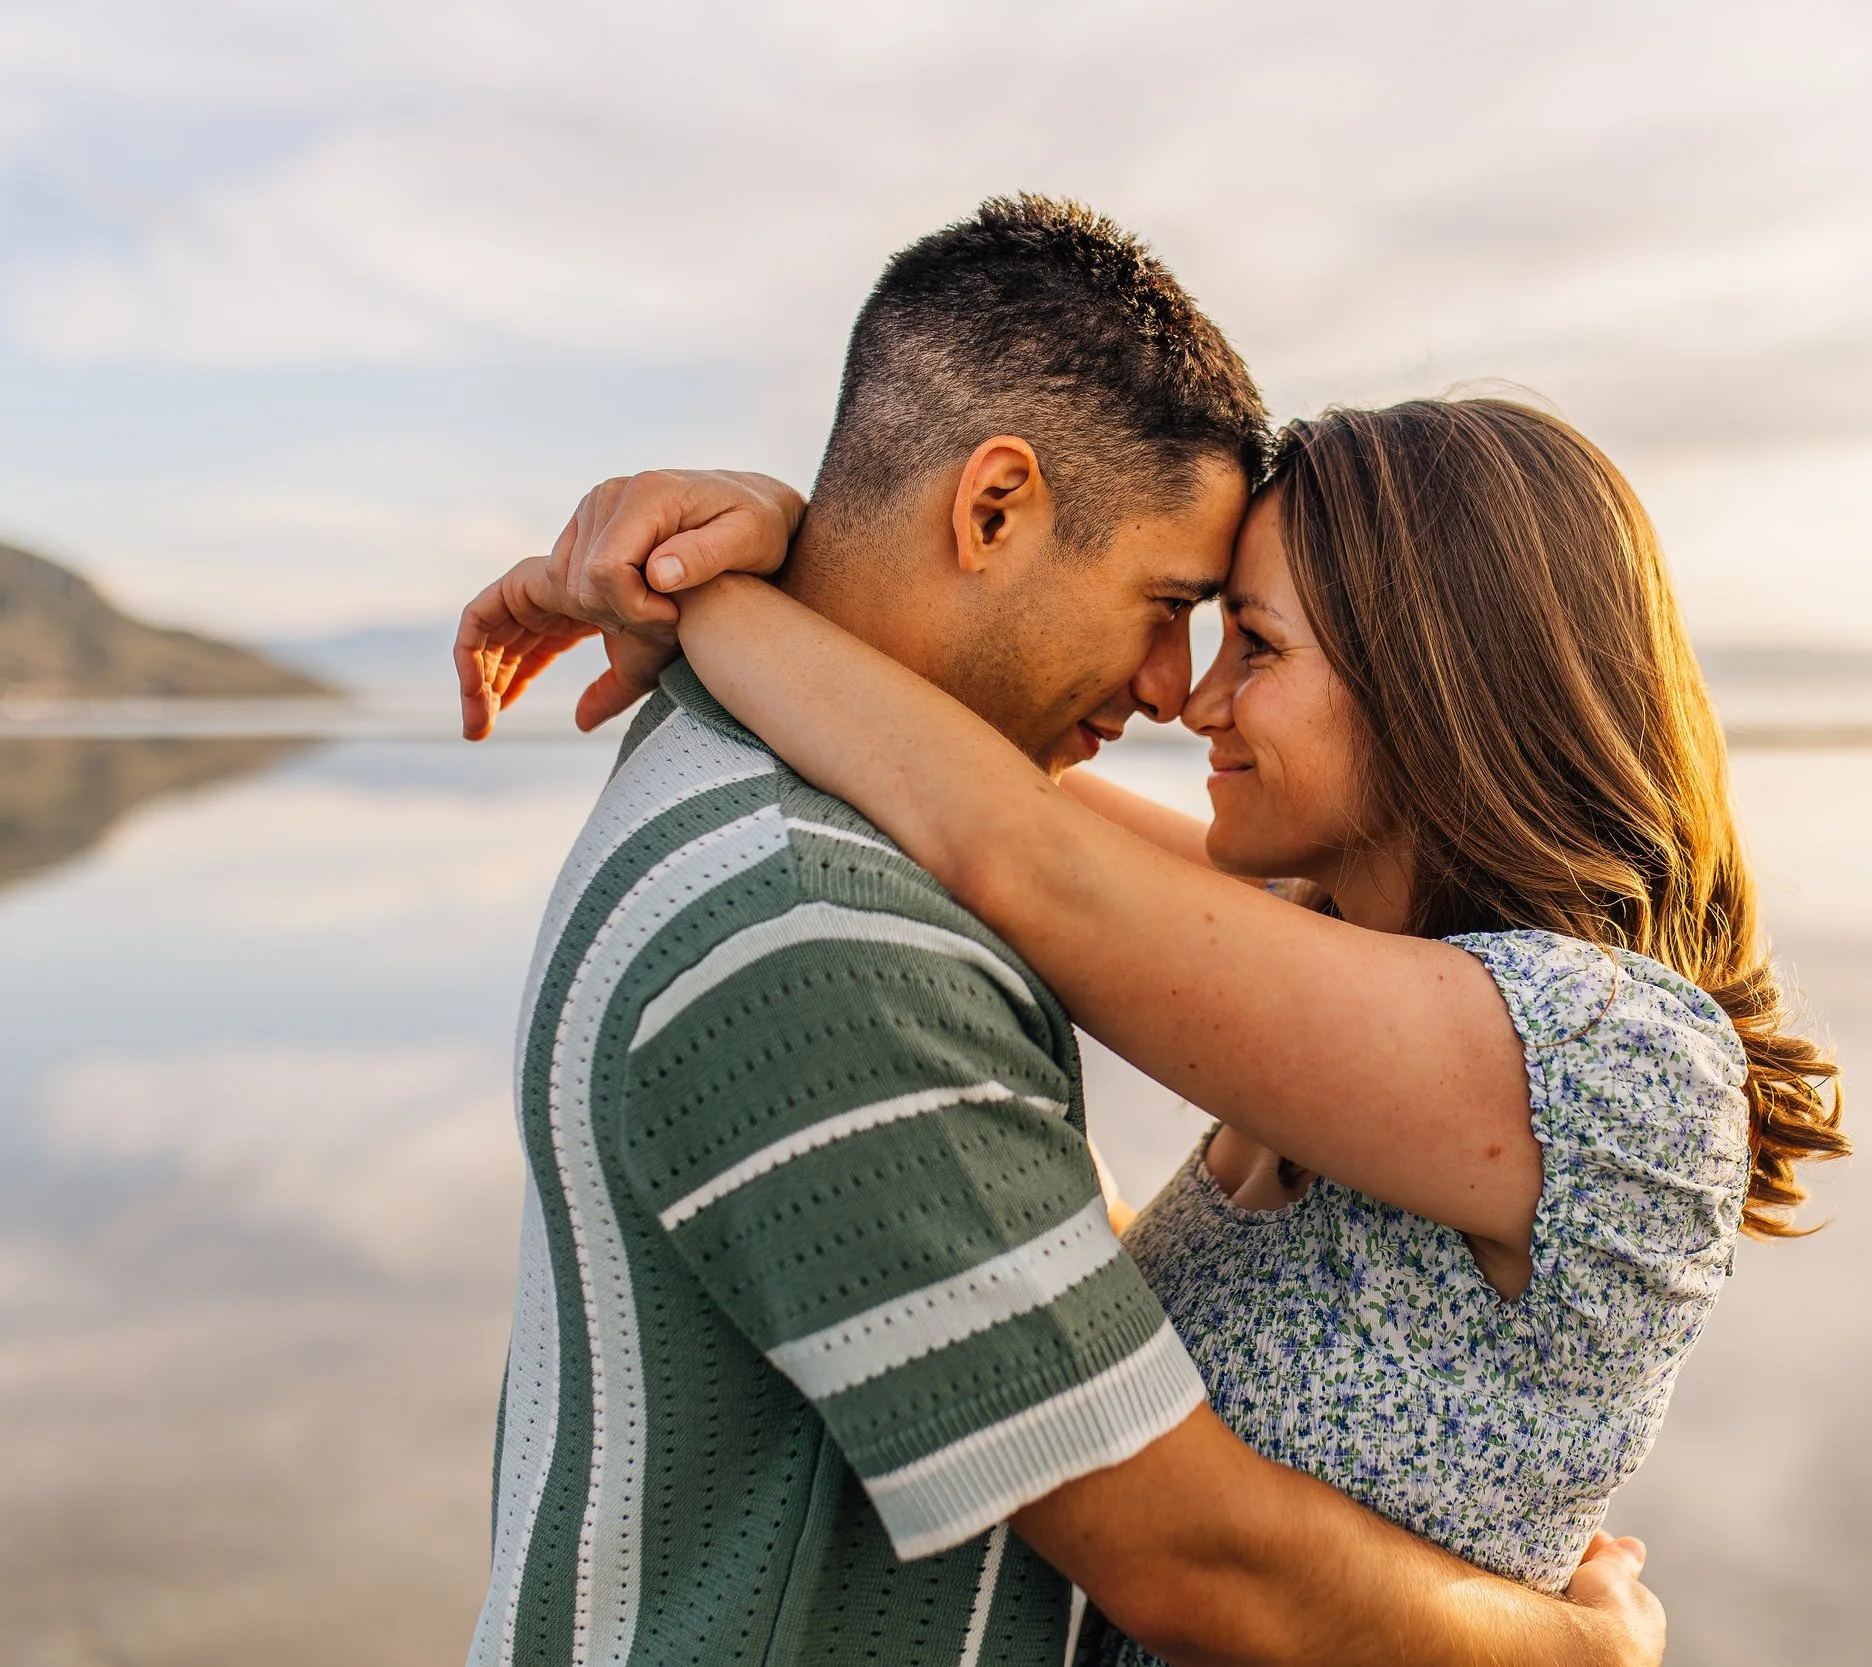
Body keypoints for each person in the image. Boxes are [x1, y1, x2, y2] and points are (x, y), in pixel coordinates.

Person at [452, 197, 1667, 1667]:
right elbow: (1179, 1550)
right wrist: (1582, 1655)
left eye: (1241, 638)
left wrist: (742, 579)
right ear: (991, 507)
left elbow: (1026, 845)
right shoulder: (819, 922)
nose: (1181, 688)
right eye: (1175, 607)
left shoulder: (794, 807)